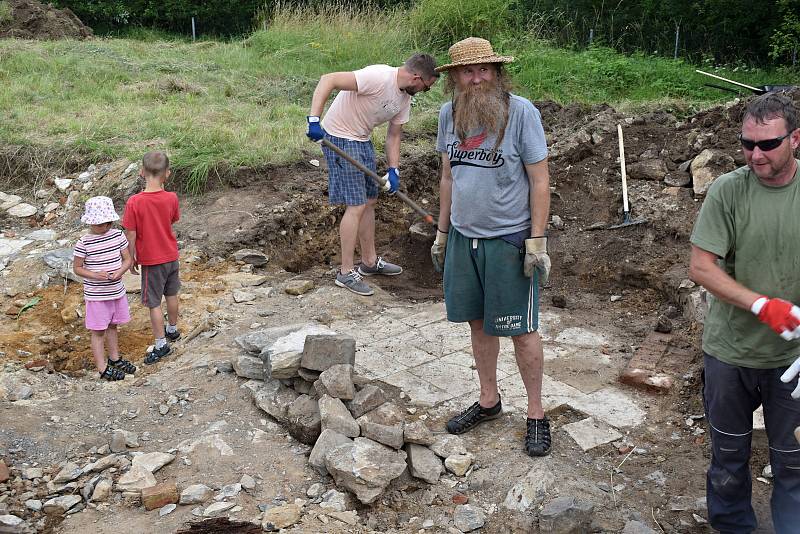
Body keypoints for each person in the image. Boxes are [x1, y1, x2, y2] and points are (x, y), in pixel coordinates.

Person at [431, 37, 552, 457]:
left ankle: (536, 413)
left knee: (522, 329)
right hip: (465, 238)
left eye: (485, 70)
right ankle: (488, 401)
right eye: (468, 71)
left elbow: (540, 179)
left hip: (509, 241)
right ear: (455, 79)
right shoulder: (449, 114)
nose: (477, 78)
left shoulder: (521, 113)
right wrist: (444, 233)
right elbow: (448, 177)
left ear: (498, 73)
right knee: (477, 324)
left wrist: (536, 239)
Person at [688, 92, 800, 533]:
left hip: (792, 362)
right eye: (747, 144)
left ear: (796, 140)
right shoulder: (728, 190)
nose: (755, 154)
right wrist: (760, 304)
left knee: (793, 461)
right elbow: (700, 266)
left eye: (768, 144)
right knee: (729, 459)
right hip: (730, 353)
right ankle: (733, 526)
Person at [306, 53, 439, 296]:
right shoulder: (377, 77)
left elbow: (394, 135)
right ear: (417, 77)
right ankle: (345, 273)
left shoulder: (404, 98)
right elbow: (329, 79)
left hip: (362, 139)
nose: (424, 91)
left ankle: (369, 261)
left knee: (369, 201)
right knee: (356, 205)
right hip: (339, 137)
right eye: (426, 87)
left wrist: (393, 169)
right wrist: (314, 119)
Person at [123, 151, 181, 364]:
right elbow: (172, 220)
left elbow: (130, 232)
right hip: (171, 256)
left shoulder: (134, 202)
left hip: (151, 260)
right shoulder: (171, 198)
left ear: (141, 172)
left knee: (154, 303)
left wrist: (131, 255)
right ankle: (173, 329)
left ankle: (161, 344)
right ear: (167, 173)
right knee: (172, 293)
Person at [73, 196, 136, 381]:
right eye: (101, 224)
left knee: (113, 325)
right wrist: (95, 275)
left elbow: (127, 260)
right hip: (96, 295)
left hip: (116, 291)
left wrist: (120, 272)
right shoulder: (84, 242)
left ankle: (115, 358)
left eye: (108, 223)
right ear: (91, 222)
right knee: (98, 330)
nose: (105, 227)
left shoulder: (117, 235)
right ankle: (102, 367)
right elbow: (77, 268)